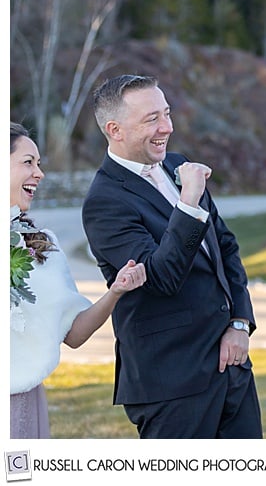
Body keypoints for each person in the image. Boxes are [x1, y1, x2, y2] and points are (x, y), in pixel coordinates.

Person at [81, 74, 263, 439]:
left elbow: (225, 249)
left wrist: (240, 323)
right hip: (171, 384)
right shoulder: (104, 202)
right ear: (115, 130)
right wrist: (188, 203)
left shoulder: (177, 165)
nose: (167, 127)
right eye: (152, 119)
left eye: (166, 113)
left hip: (233, 367)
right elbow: (161, 278)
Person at [9, 122, 146, 438]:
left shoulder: (40, 245)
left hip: (18, 402)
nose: (39, 173)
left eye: (39, 164)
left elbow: (74, 334)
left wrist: (115, 292)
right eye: (28, 162)